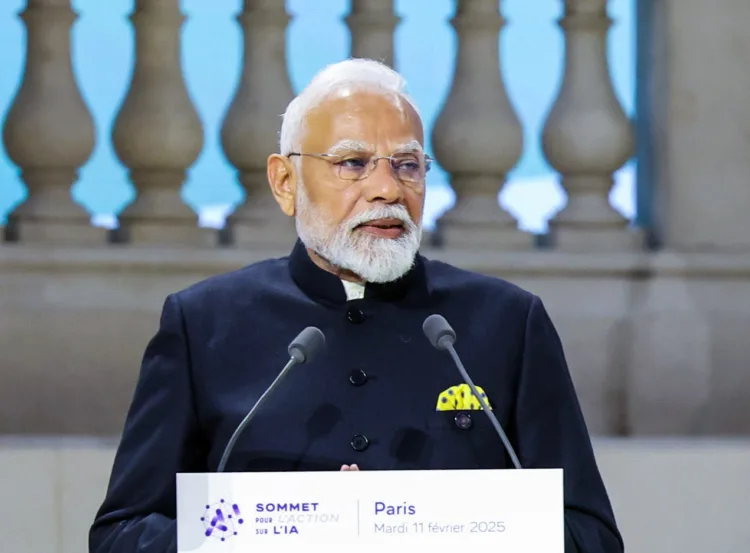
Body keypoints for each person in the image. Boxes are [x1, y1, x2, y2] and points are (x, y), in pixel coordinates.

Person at [89, 58, 624, 553]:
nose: (387, 189)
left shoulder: (506, 323)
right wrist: (276, 537)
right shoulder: (204, 324)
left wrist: (431, 527)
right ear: (285, 181)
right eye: (353, 163)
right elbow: (123, 533)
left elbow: (590, 534)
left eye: (408, 165)